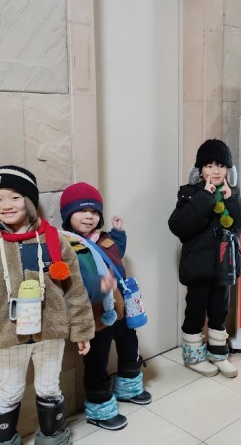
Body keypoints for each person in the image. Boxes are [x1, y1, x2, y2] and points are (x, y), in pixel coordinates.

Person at [0, 165, 95, 445]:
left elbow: (75, 290)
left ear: (30, 202)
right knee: (10, 392)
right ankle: (3, 439)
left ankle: (53, 436)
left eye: (15, 197)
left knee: (49, 388)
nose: (6, 205)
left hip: (50, 333)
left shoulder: (55, 241)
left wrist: (82, 330)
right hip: (9, 336)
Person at [60, 183, 152, 431]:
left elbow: (116, 253)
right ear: (68, 215)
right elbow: (72, 282)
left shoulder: (103, 238)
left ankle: (128, 386)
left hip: (121, 308)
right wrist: (98, 287)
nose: (89, 216)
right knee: (97, 360)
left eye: (94, 211)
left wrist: (118, 233)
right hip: (96, 315)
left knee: (129, 344)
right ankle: (99, 406)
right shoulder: (68, 244)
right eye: (82, 211)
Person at [168, 139, 241, 378]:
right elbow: (178, 227)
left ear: (229, 170)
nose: (215, 171)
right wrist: (205, 198)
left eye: (221, 165)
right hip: (198, 268)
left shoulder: (231, 194)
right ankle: (193, 356)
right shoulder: (189, 194)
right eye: (209, 165)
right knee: (195, 311)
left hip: (224, 267)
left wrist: (231, 199)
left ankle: (218, 354)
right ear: (200, 170)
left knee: (220, 311)